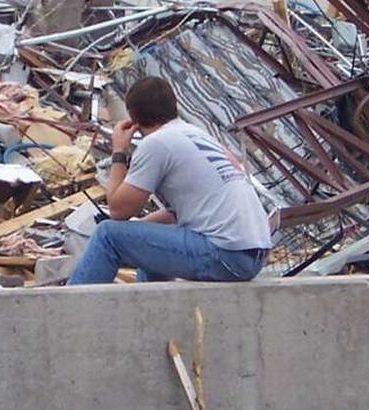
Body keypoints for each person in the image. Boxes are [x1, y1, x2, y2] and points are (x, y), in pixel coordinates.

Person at [67, 76, 271, 285]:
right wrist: (140, 228)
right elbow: (178, 212)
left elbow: (119, 211)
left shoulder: (157, 144)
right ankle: (151, 316)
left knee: (107, 235)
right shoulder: (197, 135)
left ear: (133, 118)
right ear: (173, 106)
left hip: (225, 254)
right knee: (146, 244)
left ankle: (69, 315)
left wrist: (119, 150)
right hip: (250, 255)